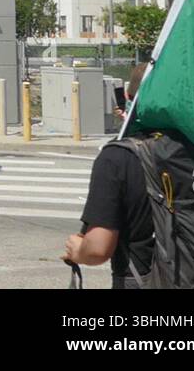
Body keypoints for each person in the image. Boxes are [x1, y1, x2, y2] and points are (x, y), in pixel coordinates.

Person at [65, 65, 155, 288]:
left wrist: (78, 250)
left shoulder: (117, 158)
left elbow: (98, 249)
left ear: (128, 97)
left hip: (141, 278)